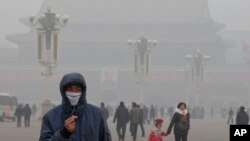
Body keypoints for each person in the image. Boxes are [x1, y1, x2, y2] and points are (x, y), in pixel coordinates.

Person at [39, 73, 111, 141]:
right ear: (63, 91)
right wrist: (63, 134)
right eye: (70, 89)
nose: (74, 93)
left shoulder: (97, 115)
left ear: (83, 91)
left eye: (78, 89)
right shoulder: (50, 117)